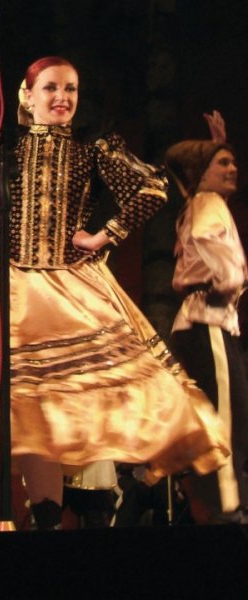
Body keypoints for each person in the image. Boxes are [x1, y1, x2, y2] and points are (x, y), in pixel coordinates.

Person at [0, 56, 228, 530]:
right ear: (26, 96)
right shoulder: (1, 148)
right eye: (52, 88)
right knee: (25, 406)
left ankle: (95, 502)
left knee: (60, 399)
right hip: (9, 288)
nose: (62, 98)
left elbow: (151, 189)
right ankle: (45, 516)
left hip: (70, 287)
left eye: (71, 89)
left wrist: (105, 235)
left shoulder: (90, 149)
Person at [165, 111, 248, 524]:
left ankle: (213, 503)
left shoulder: (202, 202)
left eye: (234, 162)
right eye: (223, 164)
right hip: (208, 318)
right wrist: (229, 279)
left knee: (222, 413)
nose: (233, 169)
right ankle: (225, 507)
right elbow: (205, 239)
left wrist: (216, 145)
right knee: (225, 419)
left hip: (209, 322)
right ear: (202, 174)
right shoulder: (208, 202)